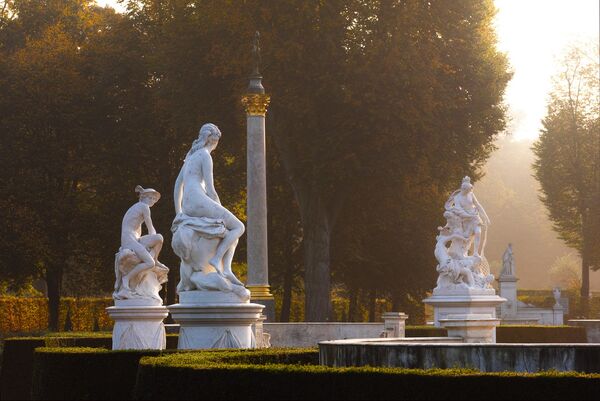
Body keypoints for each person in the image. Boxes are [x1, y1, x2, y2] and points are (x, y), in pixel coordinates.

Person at [173, 123, 245, 286]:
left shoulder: (190, 156)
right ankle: (218, 259)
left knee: (229, 234)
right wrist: (220, 208)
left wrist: (179, 213)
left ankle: (225, 268)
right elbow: (211, 191)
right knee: (238, 227)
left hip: (188, 205)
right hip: (200, 200)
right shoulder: (205, 155)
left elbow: (178, 185)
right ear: (213, 141)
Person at [117, 185, 167, 294]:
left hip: (135, 238)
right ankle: (127, 278)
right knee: (150, 262)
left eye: (154, 199)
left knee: (159, 238)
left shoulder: (137, 207)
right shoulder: (144, 207)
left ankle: (156, 259)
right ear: (143, 197)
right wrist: (152, 239)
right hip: (129, 240)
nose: (152, 201)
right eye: (150, 198)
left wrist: (154, 239)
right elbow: (150, 227)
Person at [444, 176, 491, 257]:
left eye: (470, 190)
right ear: (464, 189)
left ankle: (476, 252)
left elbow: (478, 205)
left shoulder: (471, 194)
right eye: (468, 190)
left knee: (478, 232)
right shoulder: (457, 198)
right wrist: (470, 216)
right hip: (466, 220)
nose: (469, 192)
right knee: (466, 238)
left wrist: (486, 217)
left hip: (475, 217)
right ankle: (461, 252)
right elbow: (460, 211)